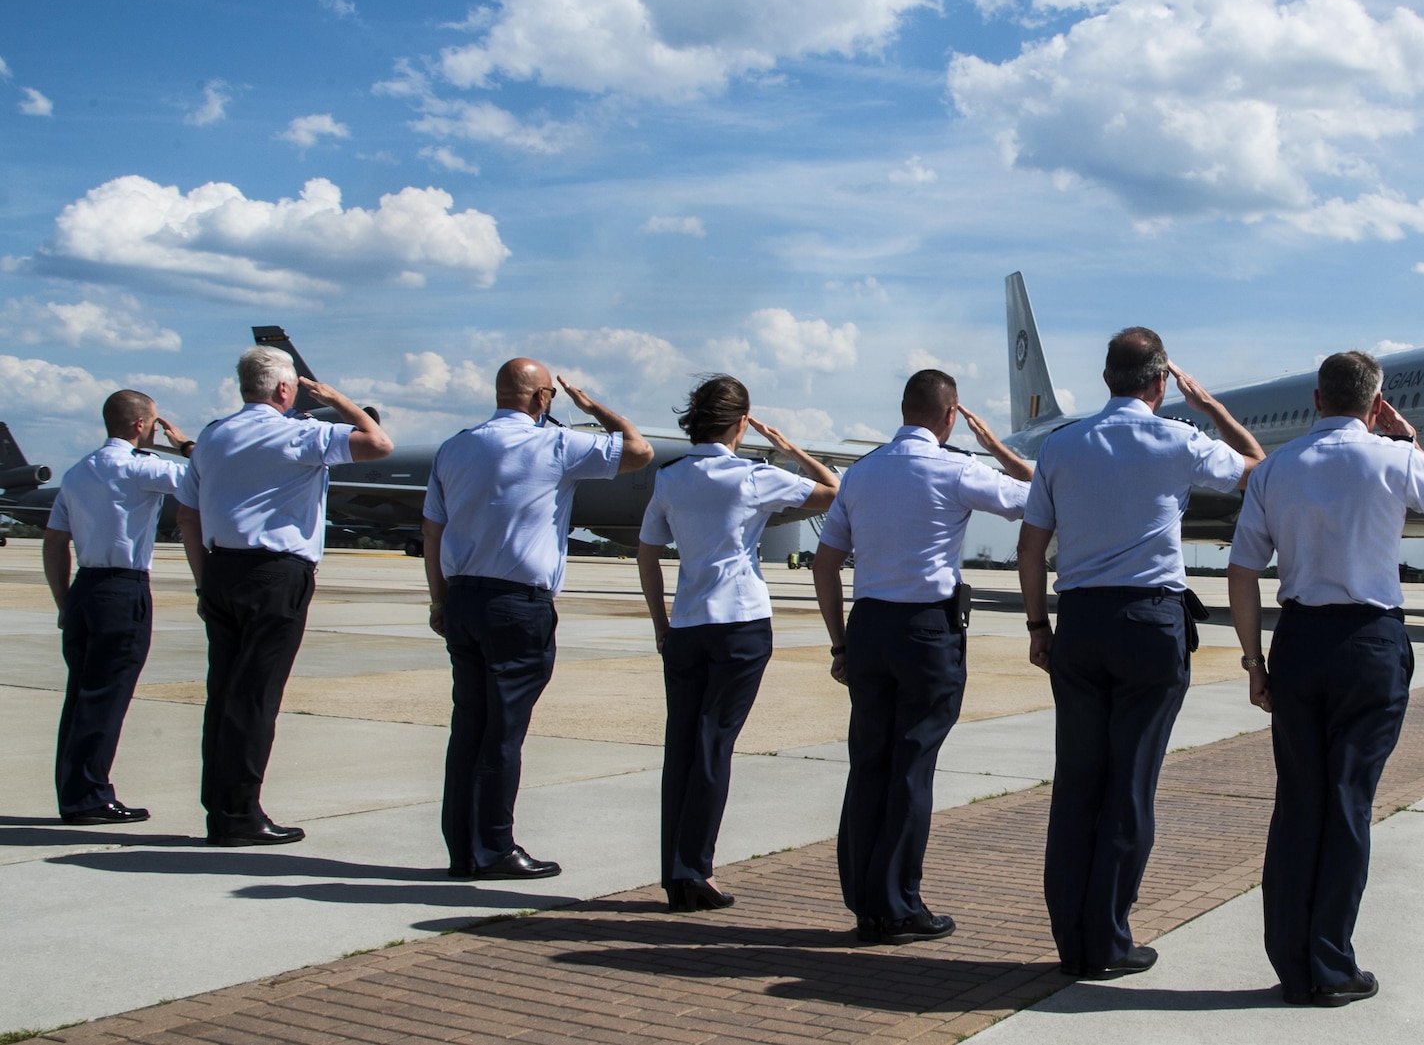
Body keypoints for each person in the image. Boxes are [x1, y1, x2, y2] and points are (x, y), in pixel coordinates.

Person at [1225, 351, 1424, 1008]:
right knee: (1347, 803)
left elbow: (1242, 570)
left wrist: (1255, 660)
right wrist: (1408, 444)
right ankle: (1332, 963)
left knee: (1298, 803)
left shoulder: (1276, 467)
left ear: (1315, 400)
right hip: (1368, 643)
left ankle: (1291, 962)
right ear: (1376, 404)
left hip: (1299, 641)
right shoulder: (1393, 456)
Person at [1017, 328, 1262, 979]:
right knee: (1130, 785)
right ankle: (1108, 938)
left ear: (1106, 379)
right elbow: (1259, 471)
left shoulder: (1060, 444)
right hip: (1150, 624)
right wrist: (1209, 406)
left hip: (1082, 621)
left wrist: (1039, 624)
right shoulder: (1178, 439)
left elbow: (1030, 548)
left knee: (1077, 782)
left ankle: (1073, 938)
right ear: (1160, 382)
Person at [811, 370, 1034, 945]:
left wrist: (840, 642)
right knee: (911, 768)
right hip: (925, 632)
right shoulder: (957, 467)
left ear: (903, 408)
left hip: (869, 627)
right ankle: (899, 904)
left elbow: (825, 564)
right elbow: (1037, 497)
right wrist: (999, 451)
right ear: (951, 414)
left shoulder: (860, 474)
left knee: (869, 765)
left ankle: (865, 901)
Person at [422, 359, 653, 880]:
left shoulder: (455, 447)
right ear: (542, 397)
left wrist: (438, 601)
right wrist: (593, 408)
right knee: (503, 733)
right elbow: (639, 451)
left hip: (461, 598)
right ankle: (495, 847)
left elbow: (432, 530)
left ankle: (463, 846)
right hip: (516, 605)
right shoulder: (555, 444)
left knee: (469, 728)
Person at [176, 346, 394, 846]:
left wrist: (203, 577)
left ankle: (221, 810)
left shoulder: (211, 436)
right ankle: (241, 816)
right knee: (256, 697)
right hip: (275, 574)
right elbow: (377, 443)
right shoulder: (299, 434)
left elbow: (187, 516)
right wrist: (337, 397)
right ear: (283, 389)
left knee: (224, 694)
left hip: (220, 569)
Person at [638, 376, 838, 911]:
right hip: (740, 623)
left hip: (685, 623)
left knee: (682, 745)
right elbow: (831, 490)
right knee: (713, 744)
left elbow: (647, 553)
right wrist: (790, 449)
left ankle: (677, 872)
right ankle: (694, 870)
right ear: (742, 422)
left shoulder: (671, 476)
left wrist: (660, 623)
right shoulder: (752, 476)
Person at [42, 390, 194, 825]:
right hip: (121, 589)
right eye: (152, 423)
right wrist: (183, 445)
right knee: (107, 696)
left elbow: (55, 541)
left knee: (81, 695)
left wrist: (63, 601)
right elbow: (207, 474)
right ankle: (90, 795)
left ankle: (74, 791)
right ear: (139, 425)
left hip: (84, 588)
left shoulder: (78, 472)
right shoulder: (140, 467)